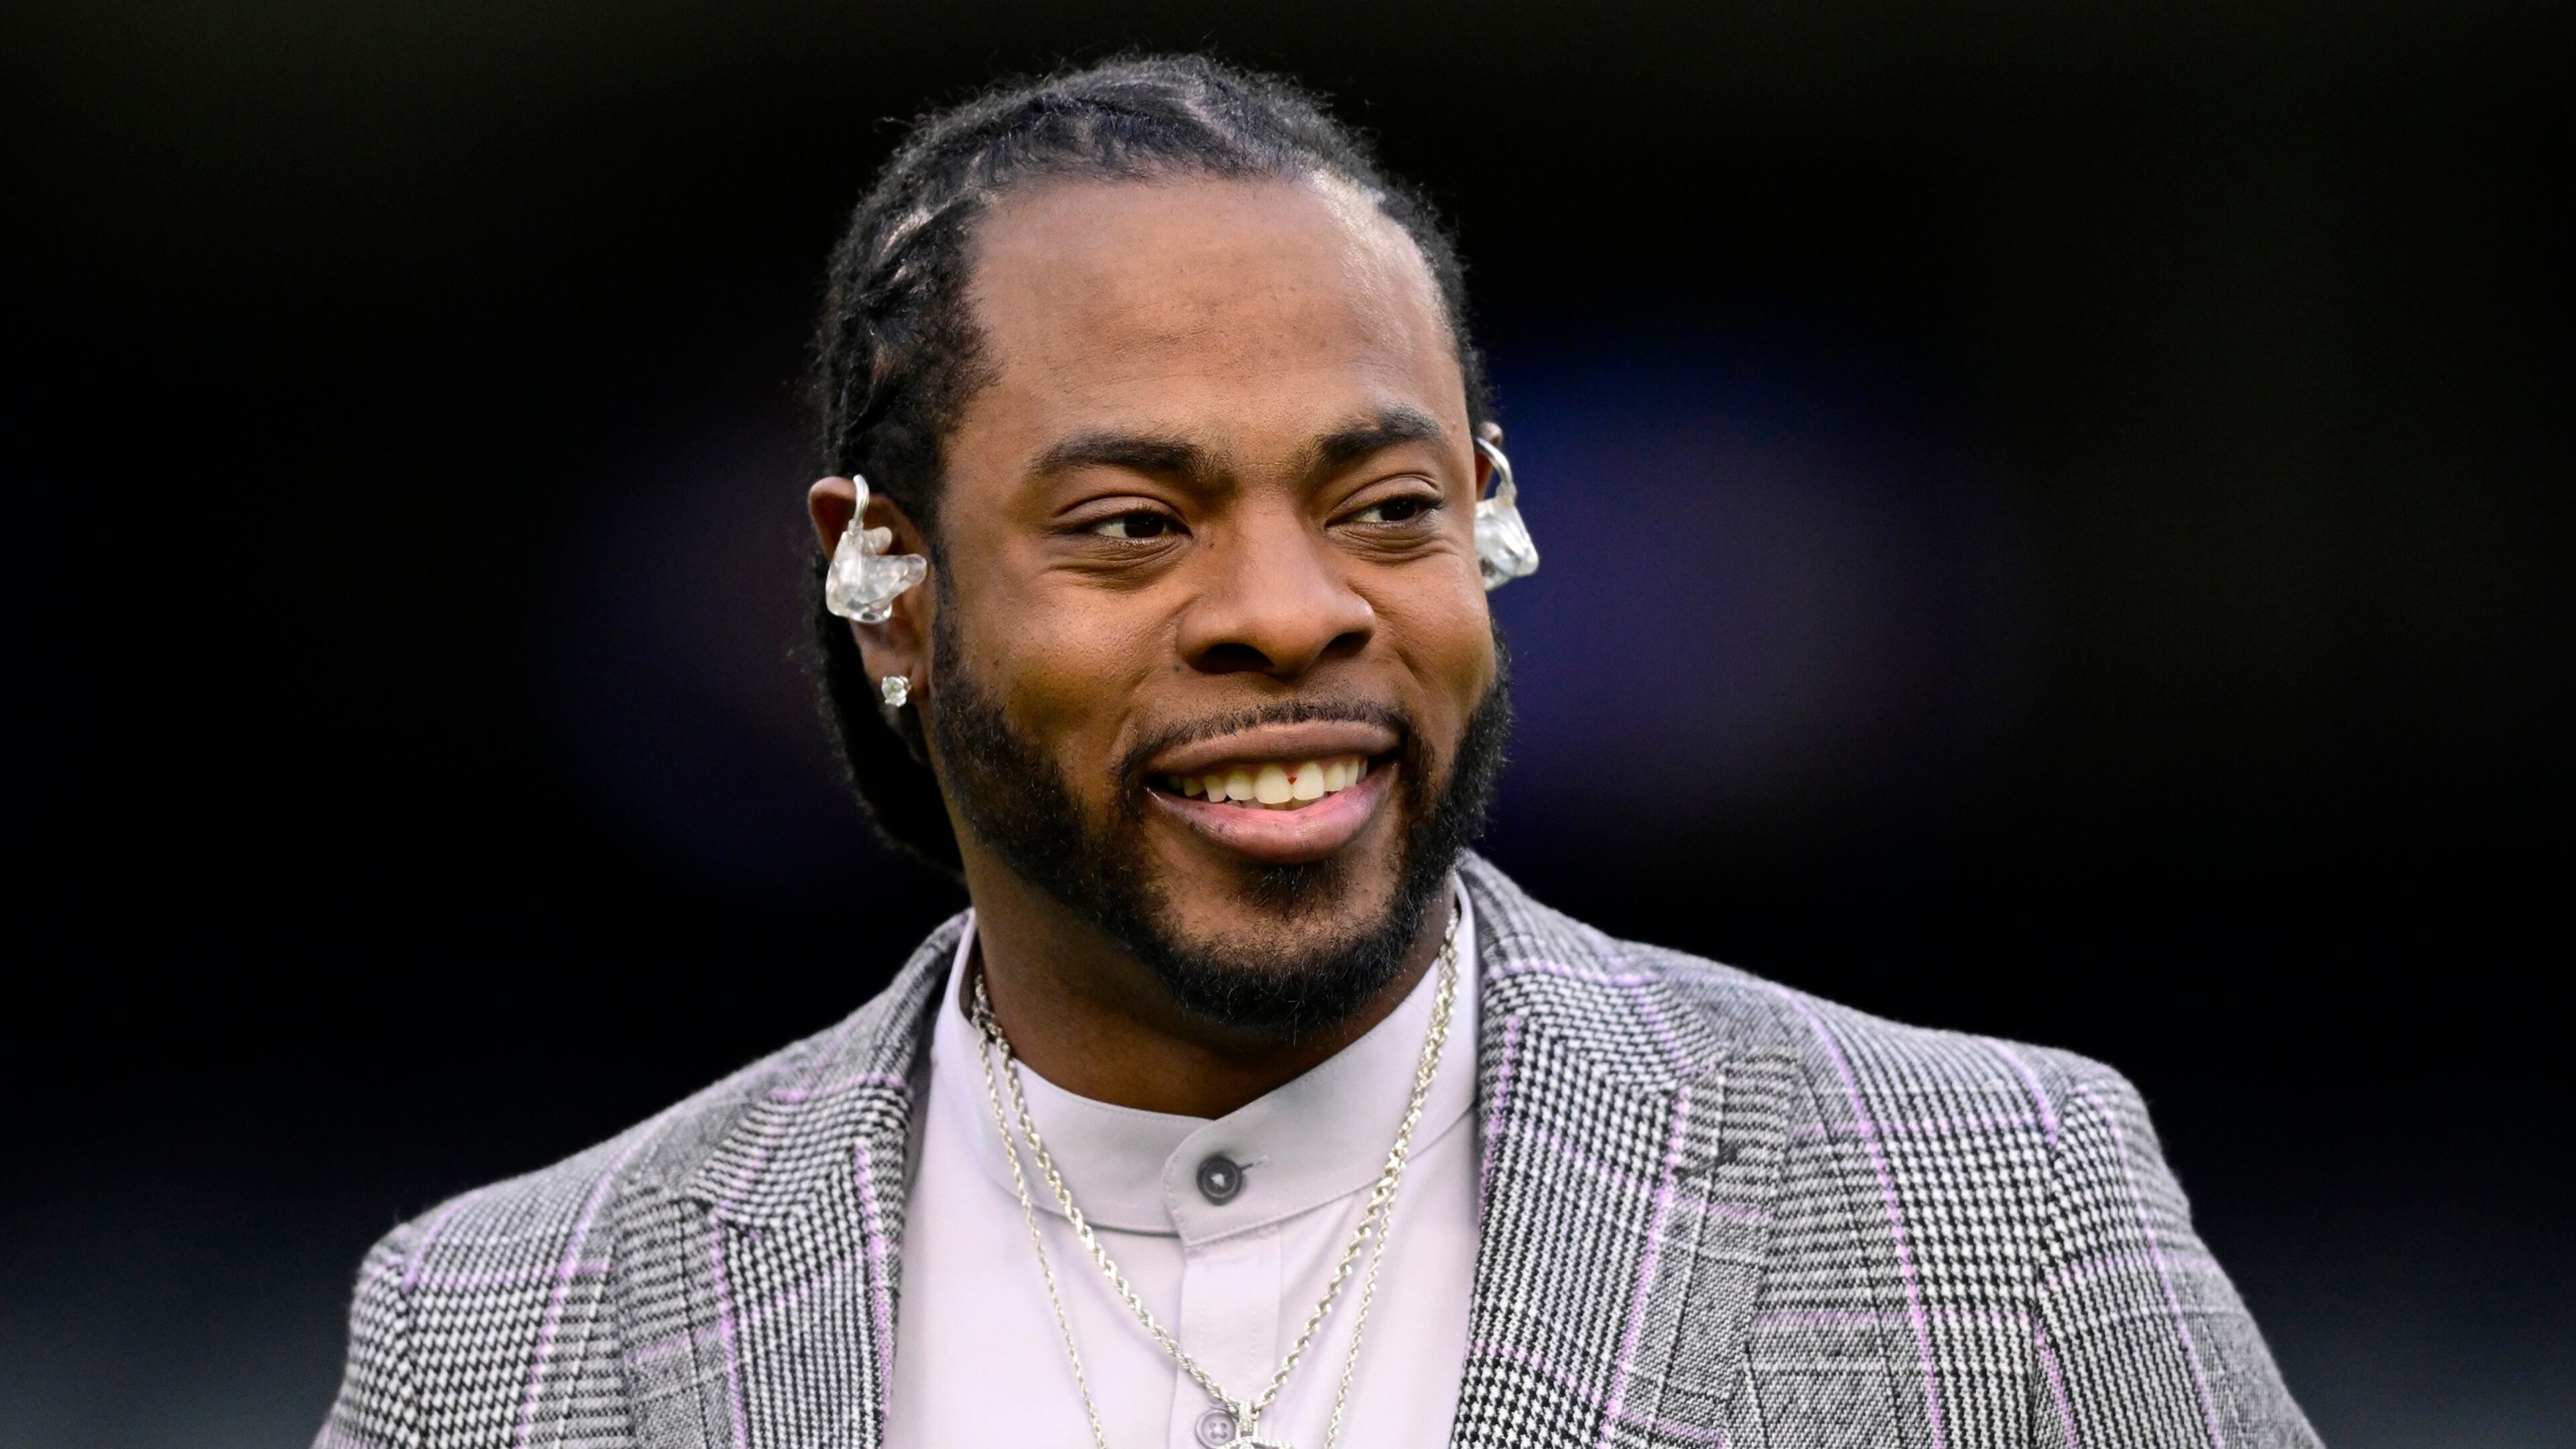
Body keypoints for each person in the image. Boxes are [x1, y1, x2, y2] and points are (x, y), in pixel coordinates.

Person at [314, 55, 2316, 1449]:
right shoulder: (507, 1338)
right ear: (890, 581)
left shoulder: (1991, 1214)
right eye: (1132, 524)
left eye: (1384, 508)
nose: (1294, 608)